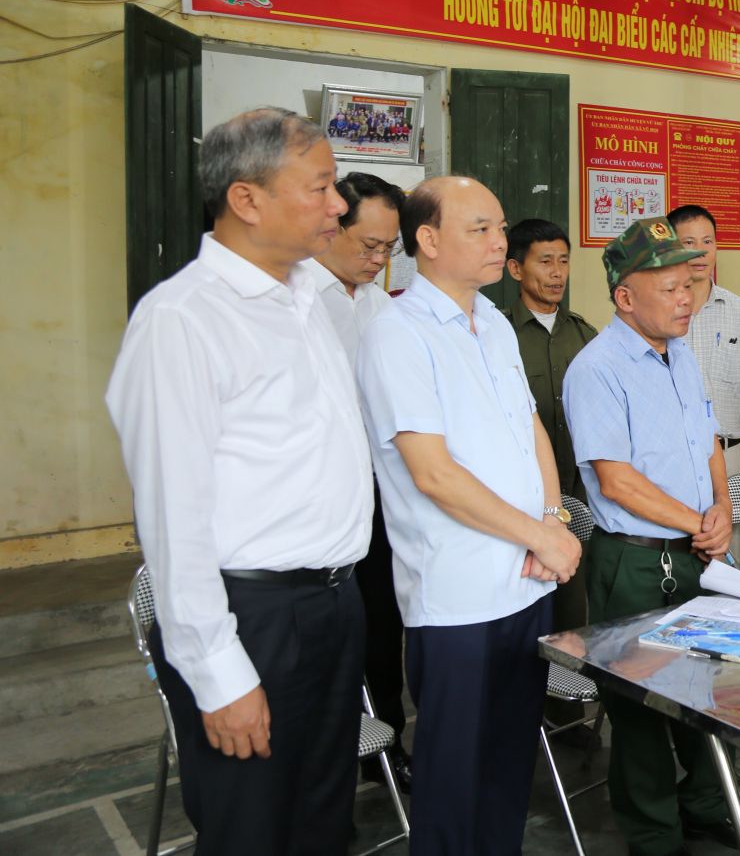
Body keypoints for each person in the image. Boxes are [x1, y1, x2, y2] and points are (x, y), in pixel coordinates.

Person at [105, 108, 370, 855]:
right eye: (320, 187)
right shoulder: (182, 320)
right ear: (247, 199)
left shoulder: (307, 298)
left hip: (332, 603)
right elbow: (172, 519)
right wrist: (218, 672)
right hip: (252, 616)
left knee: (323, 821)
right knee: (251, 828)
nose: (339, 205)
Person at [356, 176, 582, 855]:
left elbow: (531, 429)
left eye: (500, 227)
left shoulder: (494, 323)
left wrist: (552, 520)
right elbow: (434, 474)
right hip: (458, 598)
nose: (498, 241)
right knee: (454, 783)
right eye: (479, 228)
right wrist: (541, 534)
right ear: (427, 240)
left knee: (510, 766)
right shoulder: (398, 332)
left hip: (527, 580)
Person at [564, 216, 740, 856]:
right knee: (640, 704)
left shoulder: (681, 356)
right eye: (668, 288)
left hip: (697, 553)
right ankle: (654, 834)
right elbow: (616, 481)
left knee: (707, 687)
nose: (685, 298)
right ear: (625, 297)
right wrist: (699, 523)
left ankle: (704, 806)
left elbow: (709, 441)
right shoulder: (597, 369)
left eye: (688, 284)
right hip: (636, 563)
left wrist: (722, 508)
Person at [309, 171, 413, 790]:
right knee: (325, 633)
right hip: (316, 500)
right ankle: (327, 754)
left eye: (389, 249)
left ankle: (386, 746)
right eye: (369, 245)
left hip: (378, 493)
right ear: (332, 227)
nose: (379, 260)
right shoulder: (296, 299)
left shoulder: (381, 307)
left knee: (381, 622)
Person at [504, 217, 598, 731]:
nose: (558, 272)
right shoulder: (496, 333)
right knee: (522, 603)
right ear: (516, 268)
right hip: (520, 499)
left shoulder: (584, 334)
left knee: (572, 605)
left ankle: (566, 715)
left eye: (564, 261)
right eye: (545, 261)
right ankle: (520, 708)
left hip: (578, 494)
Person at [667, 204, 740, 476]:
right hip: (670, 459)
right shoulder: (656, 315)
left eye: (708, 241)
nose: (700, 251)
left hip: (730, 458)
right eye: (688, 242)